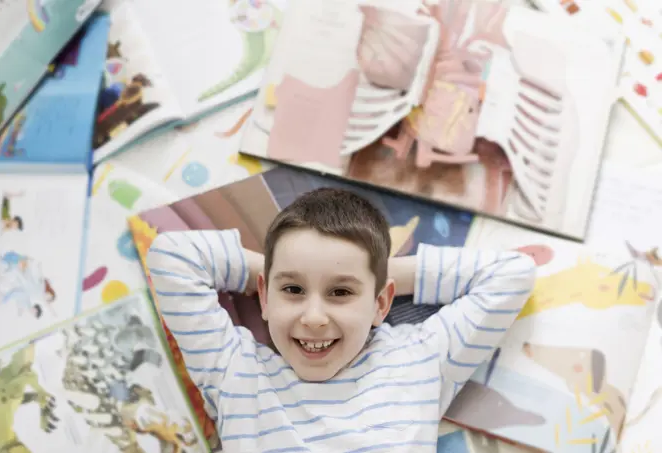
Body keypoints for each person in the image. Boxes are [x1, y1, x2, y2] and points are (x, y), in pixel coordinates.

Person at [146, 188, 537, 452]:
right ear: (264, 296)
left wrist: (375, 275)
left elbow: (512, 274)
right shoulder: (235, 369)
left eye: (341, 292)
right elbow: (171, 256)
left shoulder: (418, 360)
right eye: (293, 291)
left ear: (381, 304)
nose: (314, 318)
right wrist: (283, 269)